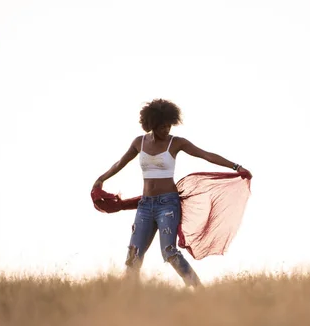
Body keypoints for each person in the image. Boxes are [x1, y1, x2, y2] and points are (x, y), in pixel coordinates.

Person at [92, 99, 252, 287]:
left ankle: (198, 289)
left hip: (167, 204)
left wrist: (236, 166)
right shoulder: (139, 142)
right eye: (161, 127)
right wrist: (101, 179)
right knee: (133, 254)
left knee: (169, 252)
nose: (166, 130)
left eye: (169, 126)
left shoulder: (176, 143)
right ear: (151, 125)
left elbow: (206, 154)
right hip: (145, 205)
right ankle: (129, 295)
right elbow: (120, 163)